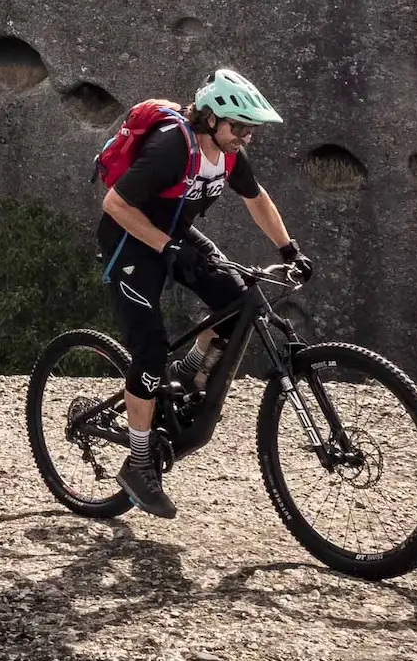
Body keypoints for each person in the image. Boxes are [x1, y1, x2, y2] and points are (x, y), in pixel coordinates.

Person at [97, 67, 314, 519]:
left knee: (236, 306)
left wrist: (289, 249)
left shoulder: (229, 153)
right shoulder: (172, 147)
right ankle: (139, 465)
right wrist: (167, 246)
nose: (246, 138)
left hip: (175, 235)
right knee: (150, 352)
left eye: (251, 130)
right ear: (212, 119)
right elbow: (115, 204)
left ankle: (191, 367)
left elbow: (257, 198)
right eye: (240, 127)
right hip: (130, 241)